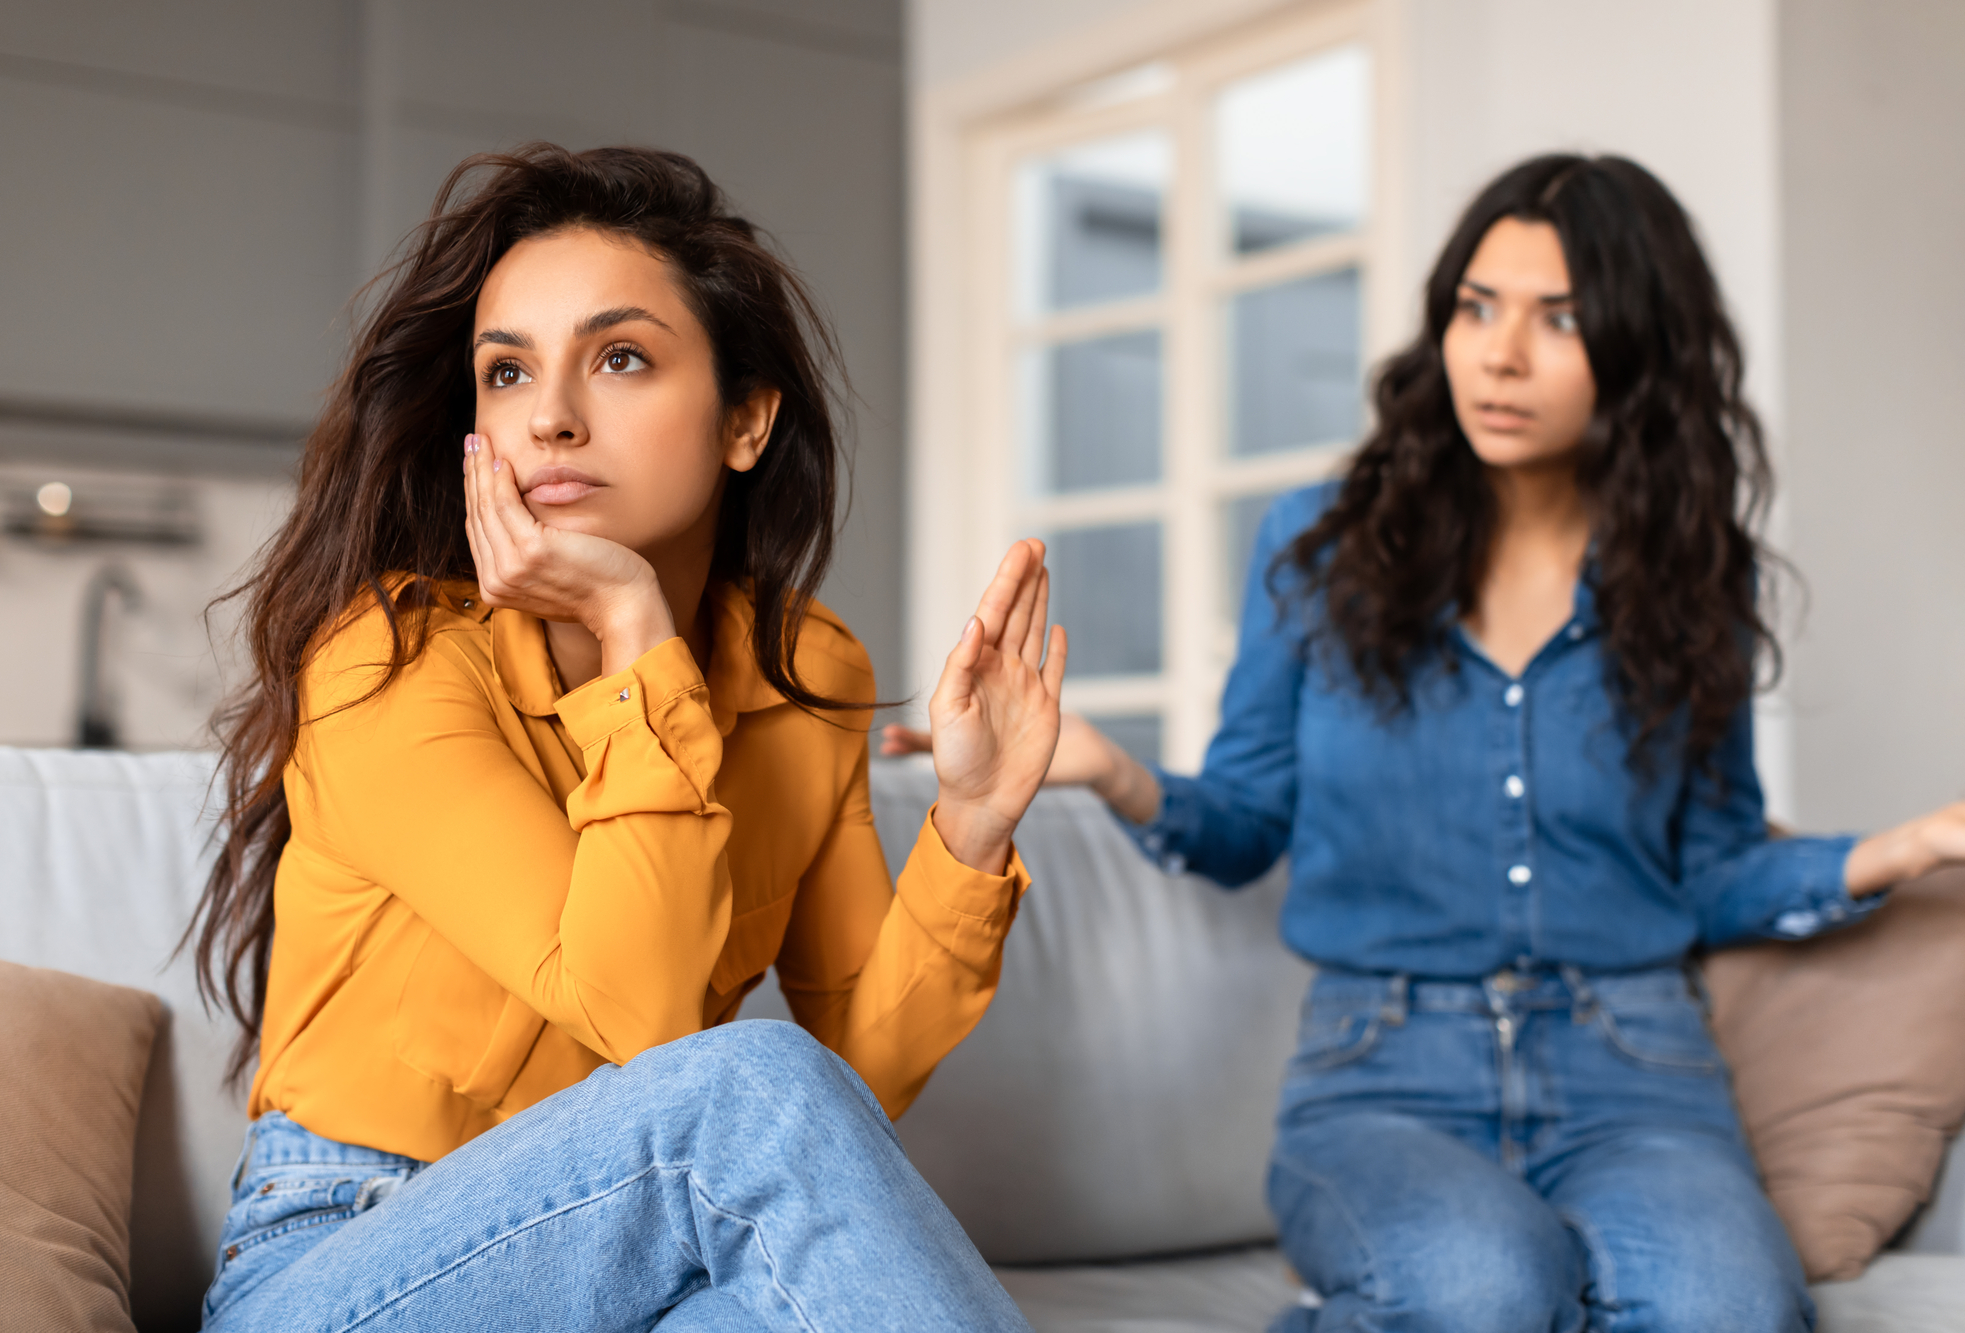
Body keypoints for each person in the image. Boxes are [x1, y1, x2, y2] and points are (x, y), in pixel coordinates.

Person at [887, 153, 1965, 1331]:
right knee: (1481, 1292)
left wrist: (1906, 845)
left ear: (1637, 346)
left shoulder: (1696, 576)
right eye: (1474, 306)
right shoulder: (1319, 547)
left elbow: (1707, 869)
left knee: (1734, 1310)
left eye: (1557, 318)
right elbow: (1246, 823)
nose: (1498, 354)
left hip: (1637, 1075)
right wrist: (1113, 772)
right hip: (1384, 1075)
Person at [187, 143, 1064, 1332]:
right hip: (350, 1257)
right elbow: (646, 1025)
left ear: (745, 420)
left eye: (619, 359)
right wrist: (630, 628)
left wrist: (971, 819)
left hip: (646, 1268)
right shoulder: (383, 663)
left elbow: (846, 1087)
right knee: (746, 1083)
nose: (548, 416)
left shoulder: (808, 672)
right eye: (504, 374)